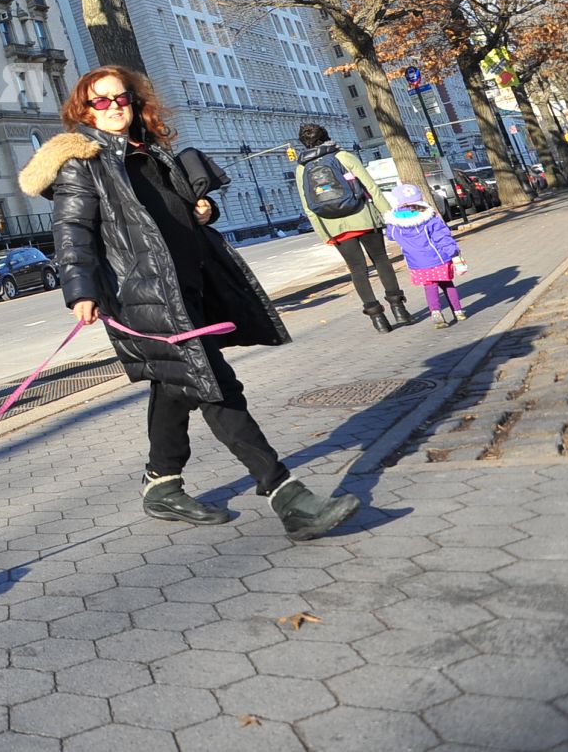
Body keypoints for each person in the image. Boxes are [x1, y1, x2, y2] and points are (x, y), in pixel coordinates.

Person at [21, 66, 360, 541]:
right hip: (142, 298)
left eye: (121, 98)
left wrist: (203, 209)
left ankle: (161, 484)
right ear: (84, 110)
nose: (114, 106)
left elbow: (175, 211)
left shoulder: (150, 152)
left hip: (189, 287)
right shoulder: (84, 163)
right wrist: (81, 290)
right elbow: (72, 232)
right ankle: (288, 496)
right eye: (100, 101)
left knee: (175, 384)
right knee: (215, 387)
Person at [293, 124, 413, 333]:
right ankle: (398, 308)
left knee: (357, 270)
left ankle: (376, 318)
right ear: (327, 137)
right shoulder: (343, 157)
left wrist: (325, 234)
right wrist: (388, 215)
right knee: (381, 260)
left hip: (335, 226)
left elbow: (308, 207)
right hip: (363, 217)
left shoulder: (302, 168)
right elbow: (371, 187)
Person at [384, 184, 468, 326]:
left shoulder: (395, 222)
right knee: (447, 284)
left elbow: (391, 236)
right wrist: (453, 251)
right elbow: (442, 236)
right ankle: (458, 311)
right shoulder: (429, 217)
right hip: (439, 258)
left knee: (430, 286)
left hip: (417, 262)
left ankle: (435, 312)